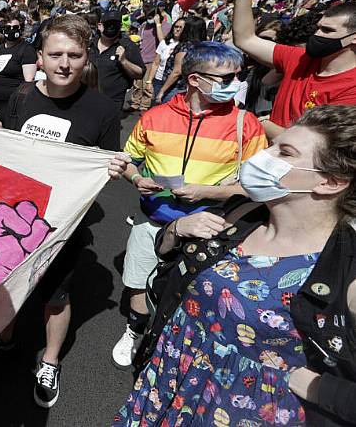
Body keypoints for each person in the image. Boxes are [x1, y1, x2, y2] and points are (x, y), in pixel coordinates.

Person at [112, 104, 356, 427]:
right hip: (167, 383)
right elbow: (174, 273)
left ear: (330, 182)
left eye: (284, 152)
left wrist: (321, 389)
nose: (263, 157)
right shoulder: (243, 212)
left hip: (233, 411)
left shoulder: (344, 273)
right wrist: (174, 231)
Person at [0, 15, 120, 408]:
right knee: (5, 282)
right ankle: (2, 337)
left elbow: (104, 166)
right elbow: (3, 151)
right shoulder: (20, 97)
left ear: (86, 58)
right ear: (39, 57)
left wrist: (113, 168)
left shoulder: (103, 111)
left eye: (74, 55)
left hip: (63, 224)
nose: (64, 63)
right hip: (14, 215)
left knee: (55, 295)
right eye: (55, 54)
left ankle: (50, 360)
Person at [112, 42, 267, 370]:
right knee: (139, 282)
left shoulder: (246, 125)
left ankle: (171, 343)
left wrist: (207, 192)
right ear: (195, 80)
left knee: (192, 294)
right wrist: (137, 179)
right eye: (225, 78)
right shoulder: (154, 117)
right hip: (152, 220)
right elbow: (128, 161)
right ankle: (134, 330)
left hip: (211, 228)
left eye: (238, 76)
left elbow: (258, 188)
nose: (236, 83)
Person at [232, 0, 356, 141]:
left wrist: (264, 124)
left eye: (327, 31)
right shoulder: (299, 58)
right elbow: (245, 39)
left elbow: (318, 144)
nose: (317, 34)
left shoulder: (351, 88)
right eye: (318, 27)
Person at [0, 14, 37, 120]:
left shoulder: (26, 50)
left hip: (11, 104)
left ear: (21, 29)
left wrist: (20, 105)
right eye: (7, 28)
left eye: (15, 28)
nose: (11, 30)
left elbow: (28, 82)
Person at [88, 10, 146, 110]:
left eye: (115, 24)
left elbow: (140, 73)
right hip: (89, 99)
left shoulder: (128, 46)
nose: (112, 27)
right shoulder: (90, 45)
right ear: (100, 26)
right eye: (109, 24)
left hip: (112, 102)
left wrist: (124, 61)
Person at [153, 15, 208, 105]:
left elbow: (177, 71)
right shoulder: (204, 46)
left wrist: (162, 91)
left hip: (175, 88)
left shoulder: (185, 47)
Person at [128, 6, 172, 112]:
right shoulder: (144, 25)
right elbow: (140, 38)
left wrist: (158, 24)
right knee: (137, 83)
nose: (149, 18)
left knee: (147, 82)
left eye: (152, 16)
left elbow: (162, 40)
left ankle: (145, 103)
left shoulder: (165, 26)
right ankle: (135, 102)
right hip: (141, 56)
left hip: (153, 58)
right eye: (148, 16)